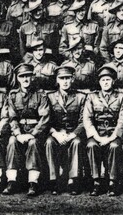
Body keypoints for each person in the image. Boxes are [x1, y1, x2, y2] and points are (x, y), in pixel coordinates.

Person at [4, 63, 51, 196]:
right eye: (22, 76)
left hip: (36, 132)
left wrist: (33, 134)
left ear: (32, 77)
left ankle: (33, 182)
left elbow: (44, 118)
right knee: (12, 141)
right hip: (19, 131)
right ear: (18, 78)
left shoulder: (40, 95)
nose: (25, 79)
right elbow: (12, 118)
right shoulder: (13, 95)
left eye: (28, 76)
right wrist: (18, 134)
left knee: (33, 143)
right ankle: (11, 181)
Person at [82, 66, 123, 196]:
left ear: (113, 81)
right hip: (97, 133)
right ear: (99, 82)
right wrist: (97, 137)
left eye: (108, 79)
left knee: (114, 146)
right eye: (103, 80)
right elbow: (87, 119)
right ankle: (96, 181)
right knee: (92, 145)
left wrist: (111, 137)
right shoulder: (91, 97)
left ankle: (112, 182)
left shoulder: (122, 97)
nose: (106, 83)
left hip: (113, 134)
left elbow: (122, 120)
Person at [44, 65, 87, 195]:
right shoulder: (49, 97)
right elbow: (46, 120)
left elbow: (83, 121)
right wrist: (55, 133)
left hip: (74, 133)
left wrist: (73, 134)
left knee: (77, 143)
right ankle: (54, 180)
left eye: (68, 78)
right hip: (56, 133)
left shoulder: (81, 97)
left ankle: (73, 180)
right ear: (57, 80)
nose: (65, 81)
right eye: (62, 78)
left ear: (72, 79)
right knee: (49, 142)